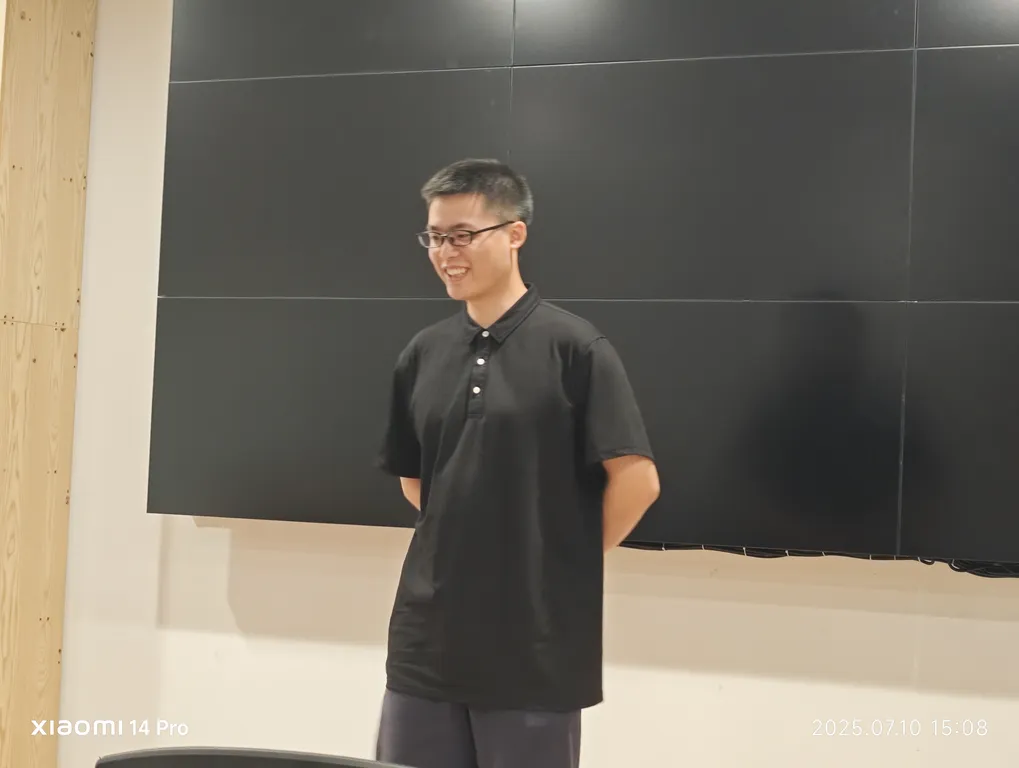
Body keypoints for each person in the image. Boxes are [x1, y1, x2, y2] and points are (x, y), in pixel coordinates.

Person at [374, 158, 661, 768]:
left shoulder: (575, 348)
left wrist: (558, 559)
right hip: (428, 641)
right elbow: (415, 480)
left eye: (463, 235)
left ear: (514, 233)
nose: (446, 253)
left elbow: (637, 480)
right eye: (435, 237)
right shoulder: (422, 353)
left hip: (535, 645)